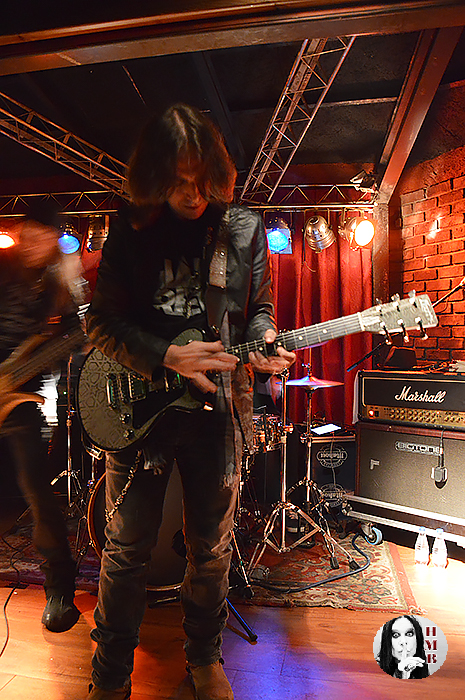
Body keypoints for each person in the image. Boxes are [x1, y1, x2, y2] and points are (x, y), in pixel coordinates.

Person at [83, 103, 295, 700]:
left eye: (203, 180)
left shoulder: (244, 229)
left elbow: (259, 310)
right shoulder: (132, 228)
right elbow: (100, 323)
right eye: (179, 181)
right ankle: (110, 676)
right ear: (154, 177)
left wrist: (265, 340)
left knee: (211, 547)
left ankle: (203, 658)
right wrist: (166, 355)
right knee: (126, 549)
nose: (193, 194)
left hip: (219, 412)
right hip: (139, 410)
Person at [0, 205, 84, 632]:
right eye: (28, 235)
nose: (34, 244)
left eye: (44, 236)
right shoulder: (3, 269)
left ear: (55, 239)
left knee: (37, 491)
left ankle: (60, 590)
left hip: (24, 398)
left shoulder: (60, 283)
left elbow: (75, 335)